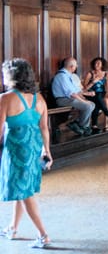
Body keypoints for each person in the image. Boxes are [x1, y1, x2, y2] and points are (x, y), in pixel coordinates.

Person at [0, 58, 52, 248]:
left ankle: (43, 235)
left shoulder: (5, 98)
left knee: (25, 192)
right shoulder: (39, 98)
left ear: (11, 76)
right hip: (34, 148)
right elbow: (44, 128)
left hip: (16, 150)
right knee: (22, 188)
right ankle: (12, 228)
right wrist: (47, 151)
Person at [50, 57, 94, 136]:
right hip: (62, 99)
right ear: (71, 66)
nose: (77, 66)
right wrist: (84, 101)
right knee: (87, 106)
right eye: (76, 65)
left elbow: (76, 90)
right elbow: (72, 94)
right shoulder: (62, 76)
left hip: (69, 98)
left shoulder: (68, 76)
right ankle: (83, 126)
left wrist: (87, 94)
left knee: (92, 104)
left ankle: (78, 124)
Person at [82, 57, 108, 132]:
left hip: (101, 94)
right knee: (99, 100)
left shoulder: (106, 75)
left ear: (102, 65)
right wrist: (93, 82)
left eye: (98, 63)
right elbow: (84, 89)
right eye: (95, 63)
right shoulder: (90, 73)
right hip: (91, 94)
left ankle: (96, 125)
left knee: (107, 96)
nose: (96, 65)